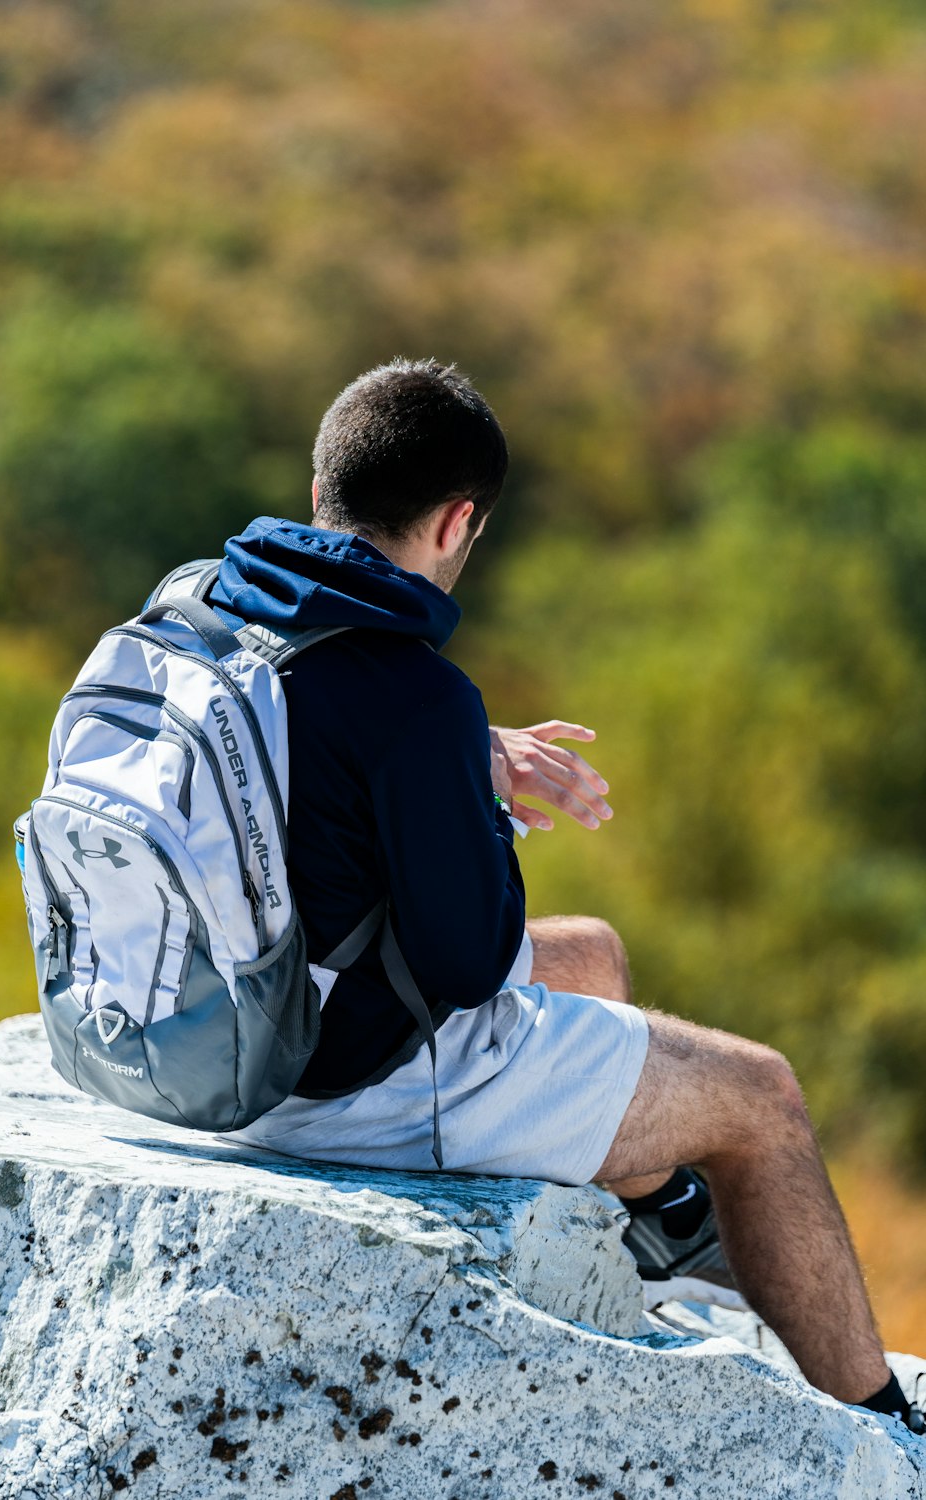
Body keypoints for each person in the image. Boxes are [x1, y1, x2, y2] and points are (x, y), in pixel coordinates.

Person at [212, 357, 920, 1433]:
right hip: (334, 1091)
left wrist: (474, 756)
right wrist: (474, 810)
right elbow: (469, 967)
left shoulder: (203, 618)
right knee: (761, 1100)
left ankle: (661, 1228)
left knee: (589, 953)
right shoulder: (413, 692)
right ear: (457, 524)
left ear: (321, 495)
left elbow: (311, 746)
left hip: (211, 1028)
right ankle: (877, 1421)